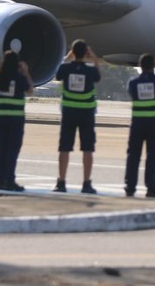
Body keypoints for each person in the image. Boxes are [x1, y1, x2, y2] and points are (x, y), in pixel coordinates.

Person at [54, 39, 101, 194]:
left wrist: (68, 58)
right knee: (87, 149)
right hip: (86, 114)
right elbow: (98, 76)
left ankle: (61, 182)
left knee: (64, 148)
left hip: (69, 113)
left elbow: (58, 74)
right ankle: (86, 183)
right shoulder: (90, 71)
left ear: (73, 52)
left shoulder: (66, 68)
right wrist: (94, 58)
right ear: (86, 53)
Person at [124, 54, 155, 198]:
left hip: (137, 124)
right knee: (153, 157)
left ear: (140, 66)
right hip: (154, 125)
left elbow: (130, 92)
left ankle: (130, 187)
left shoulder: (133, 83)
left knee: (133, 156)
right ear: (152, 66)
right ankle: (151, 188)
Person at [0, 50, 34, 191]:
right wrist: (25, 72)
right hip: (15, 120)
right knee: (12, 151)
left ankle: (0, 180)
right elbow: (30, 90)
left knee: (1, 150)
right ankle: (10, 180)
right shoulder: (19, 77)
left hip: (0, 119)